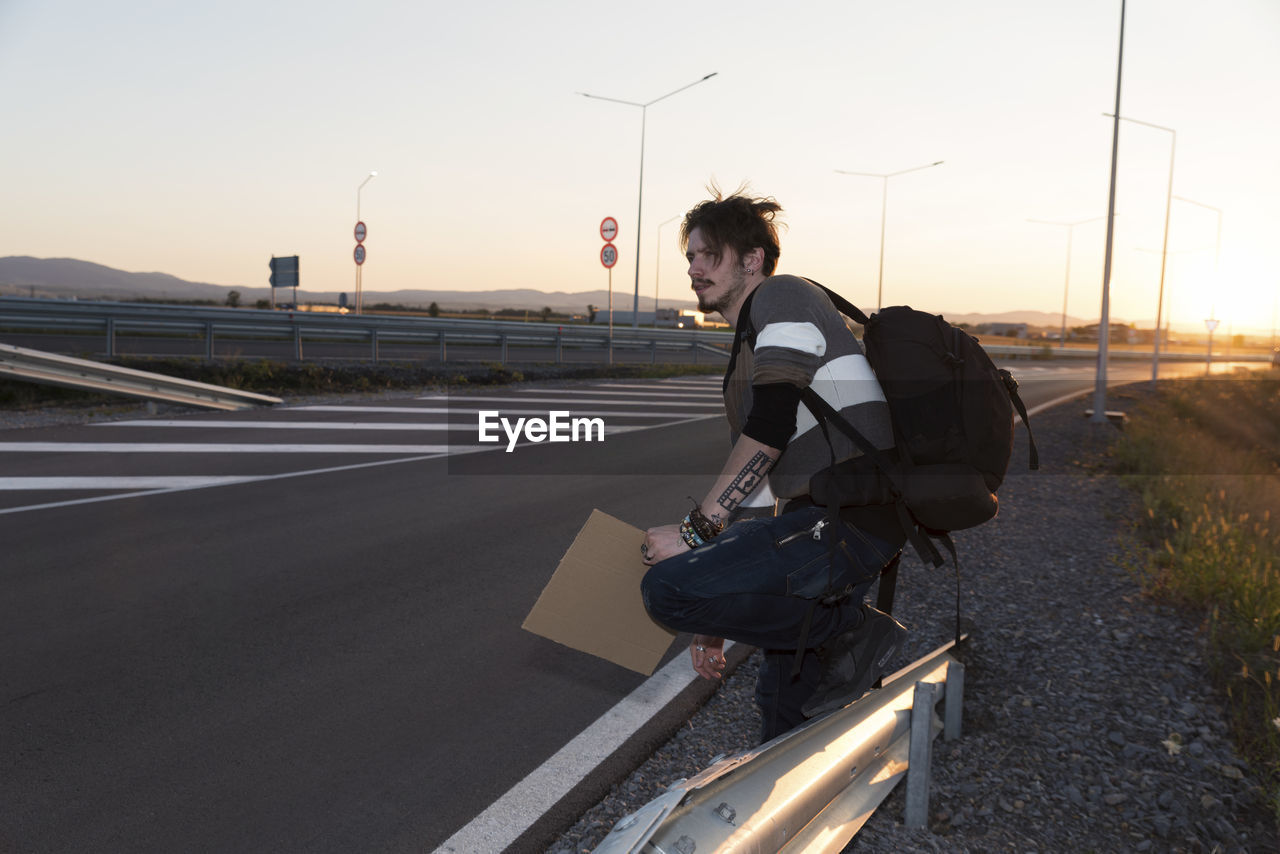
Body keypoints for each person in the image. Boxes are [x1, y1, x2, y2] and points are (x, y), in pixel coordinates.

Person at [639, 187, 909, 742]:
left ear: (752, 259)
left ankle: (851, 630)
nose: (693, 268)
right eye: (688, 256)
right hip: (818, 525)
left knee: (667, 590)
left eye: (707, 254)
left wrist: (695, 534)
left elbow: (772, 426)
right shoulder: (746, 353)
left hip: (849, 519)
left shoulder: (783, 297)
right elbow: (758, 490)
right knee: (786, 695)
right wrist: (717, 612)